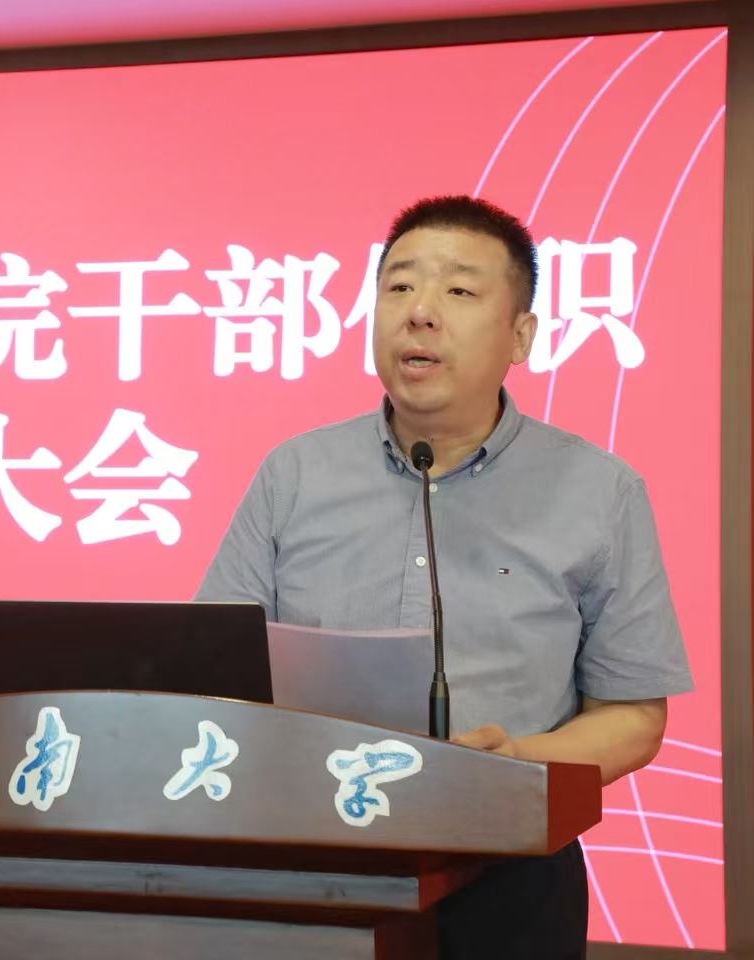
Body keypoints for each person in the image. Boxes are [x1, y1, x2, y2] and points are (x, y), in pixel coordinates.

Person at [194, 195, 692, 959]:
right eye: (398, 286)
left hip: (510, 871)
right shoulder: (295, 473)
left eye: (458, 290)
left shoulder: (599, 491)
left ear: (520, 335)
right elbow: (213, 673)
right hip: (311, 862)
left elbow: (632, 717)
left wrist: (518, 764)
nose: (419, 312)